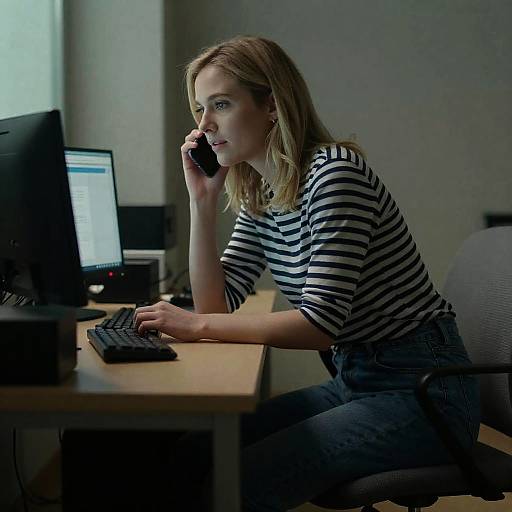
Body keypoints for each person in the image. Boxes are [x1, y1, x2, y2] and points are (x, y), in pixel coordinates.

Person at [130, 36, 481, 511]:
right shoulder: (264, 191)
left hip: (424, 394)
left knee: (238, 483)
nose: (204, 126)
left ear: (271, 104)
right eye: (199, 109)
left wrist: (194, 325)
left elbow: (319, 325)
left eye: (221, 104)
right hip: (356, 379)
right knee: (195, 453)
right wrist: (203, 204)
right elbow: (217, 305)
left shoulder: (334, 175)